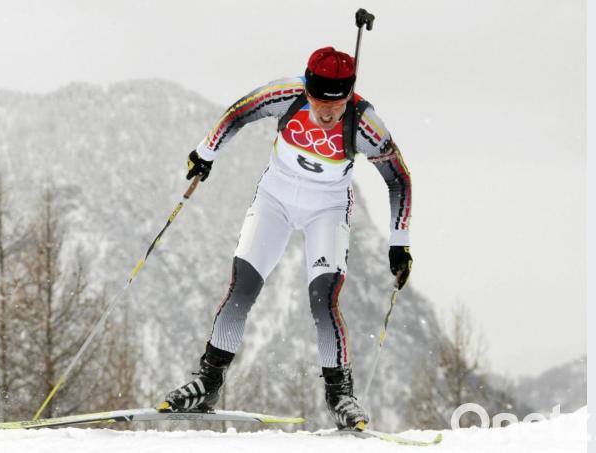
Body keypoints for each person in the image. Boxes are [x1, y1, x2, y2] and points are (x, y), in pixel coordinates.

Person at [156, 47, 413, 430]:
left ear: (349, 96)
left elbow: (398, 178)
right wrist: (205, 153)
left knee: (323, 298)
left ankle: (340, 396)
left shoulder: (364, 123)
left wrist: (399, 242)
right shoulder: (285, 94)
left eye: (337, 105)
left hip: (326, 209)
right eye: (319, 103)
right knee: (243, 286)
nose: (327, 114)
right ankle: (207, 382)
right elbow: (238, 113)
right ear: (307, 90)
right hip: (274, 198)